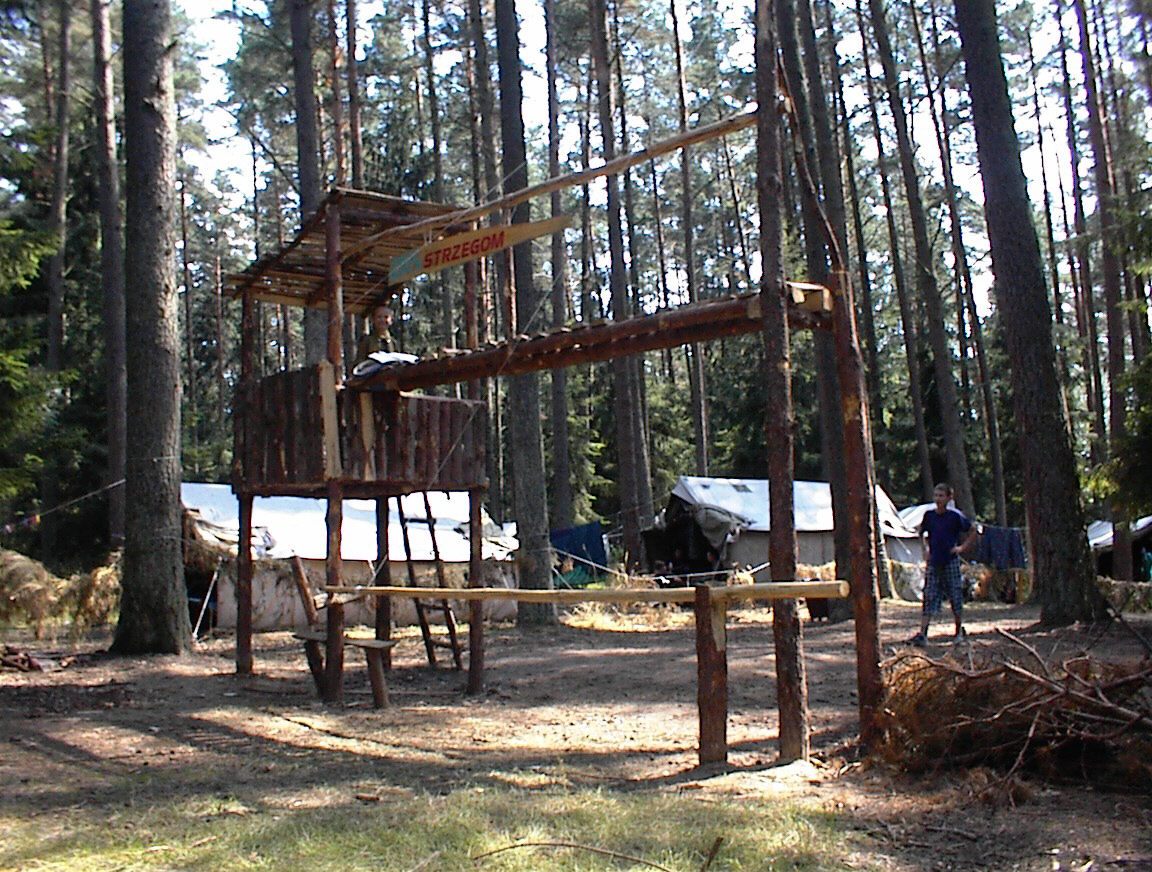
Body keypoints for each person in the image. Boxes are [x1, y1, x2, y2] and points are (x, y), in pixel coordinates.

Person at [908, 482, 979, 647]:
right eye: (936, 496)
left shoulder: (955, 516)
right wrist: (925, 549)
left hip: (950, 561)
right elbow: (921, 533)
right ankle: (923, 634)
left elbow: (973, 530)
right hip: (934, 562)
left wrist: (962, 548)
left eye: (941, 496)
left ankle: (958, 631)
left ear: (948, 498)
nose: (938, 499)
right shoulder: (929, 516)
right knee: (929, 596)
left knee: (955, 596)